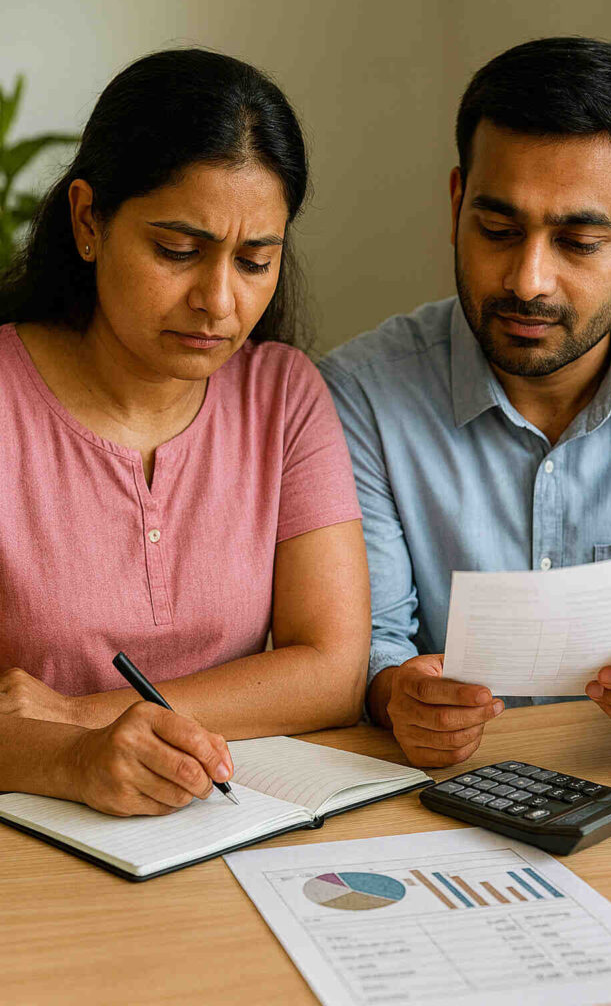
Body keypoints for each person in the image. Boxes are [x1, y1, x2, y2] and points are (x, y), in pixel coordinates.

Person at [0, 49, 370, 816]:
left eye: (255, 260)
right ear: (87, 220)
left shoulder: (283, 394)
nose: (218, 301)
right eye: (177, 251)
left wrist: (78, 716)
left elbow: (332, 671)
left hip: (221, 823)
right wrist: (70, 761)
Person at [320, 37, 611, 768]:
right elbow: (370, 648)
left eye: (577, 241)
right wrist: (398, 698)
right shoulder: (359, 394)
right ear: (457, 204)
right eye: (497, 230)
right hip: (443, 800)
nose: (528, 280)